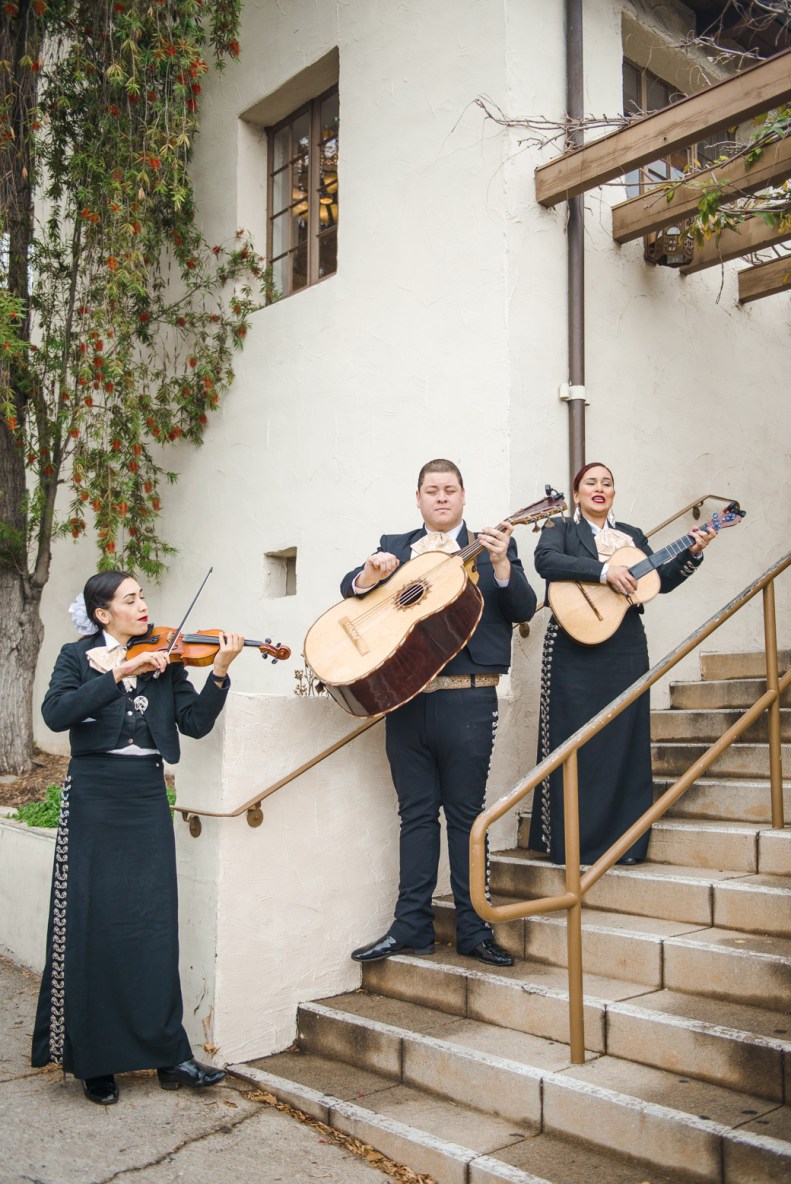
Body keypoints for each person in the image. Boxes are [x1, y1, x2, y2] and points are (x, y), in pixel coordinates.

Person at [31, 571, 244, 1105]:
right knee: (95, 921)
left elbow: (194, 724)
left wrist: (218, 671)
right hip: (96, 795)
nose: (142, 605)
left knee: (153, 924)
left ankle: (170, 1056)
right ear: (103, 614)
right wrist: (121, 670)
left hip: (147, 794)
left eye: (142, 596)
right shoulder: (77, 657)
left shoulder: (167, 658)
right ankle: (95, 1061)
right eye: (130, 599)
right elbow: (56, 714)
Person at [341, 459, 537, 967]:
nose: (442, 498)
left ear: (464, 497)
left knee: (468, 816)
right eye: (433, 490)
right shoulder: (397, 545)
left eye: (450, 490)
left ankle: (474, 930)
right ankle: (411, 928)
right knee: (415, 816)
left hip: (469, 698)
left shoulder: (495, 545)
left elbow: (522, 607)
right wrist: (369, 575)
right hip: (404, 698)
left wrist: (501, 568)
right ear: (419, 498)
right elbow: (351, 592)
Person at [527, 462, 715, 866]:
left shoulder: (632, 536)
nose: (599, 488)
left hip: (625, 646)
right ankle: (571, 844)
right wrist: (603, 571)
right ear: (576, 494)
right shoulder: (559, 529)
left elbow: (657, 580)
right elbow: (547, 563)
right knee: (574, 740)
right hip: (573, 648)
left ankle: (624, 844)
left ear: (614, 493)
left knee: (624, 738)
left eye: (607, 483)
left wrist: (692, 555)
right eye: (590, 482)